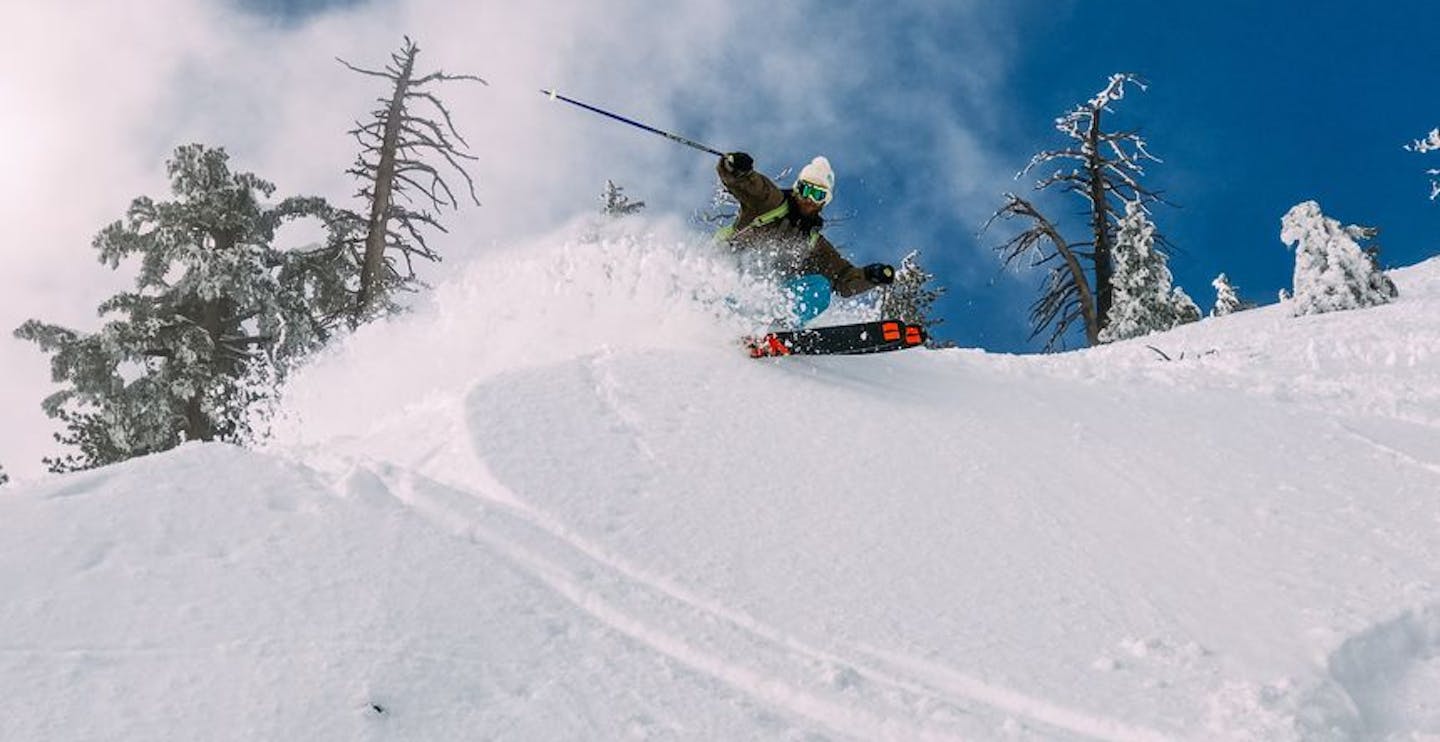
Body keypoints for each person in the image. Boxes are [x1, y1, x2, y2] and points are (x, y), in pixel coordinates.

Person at [715, 151, 895, 325]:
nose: (808, 198)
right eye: (804, 189)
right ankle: (717, 309)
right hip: (730, 276)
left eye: (817, 195)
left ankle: (779, 325)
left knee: (820, 287)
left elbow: (842, 278)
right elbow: (752, 186)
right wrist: (736, 168)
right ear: (796, 189)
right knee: (744, 269)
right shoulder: (771, 203)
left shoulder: (814, 244)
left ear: (824, 202)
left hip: (764, 299)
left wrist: (869, 276)